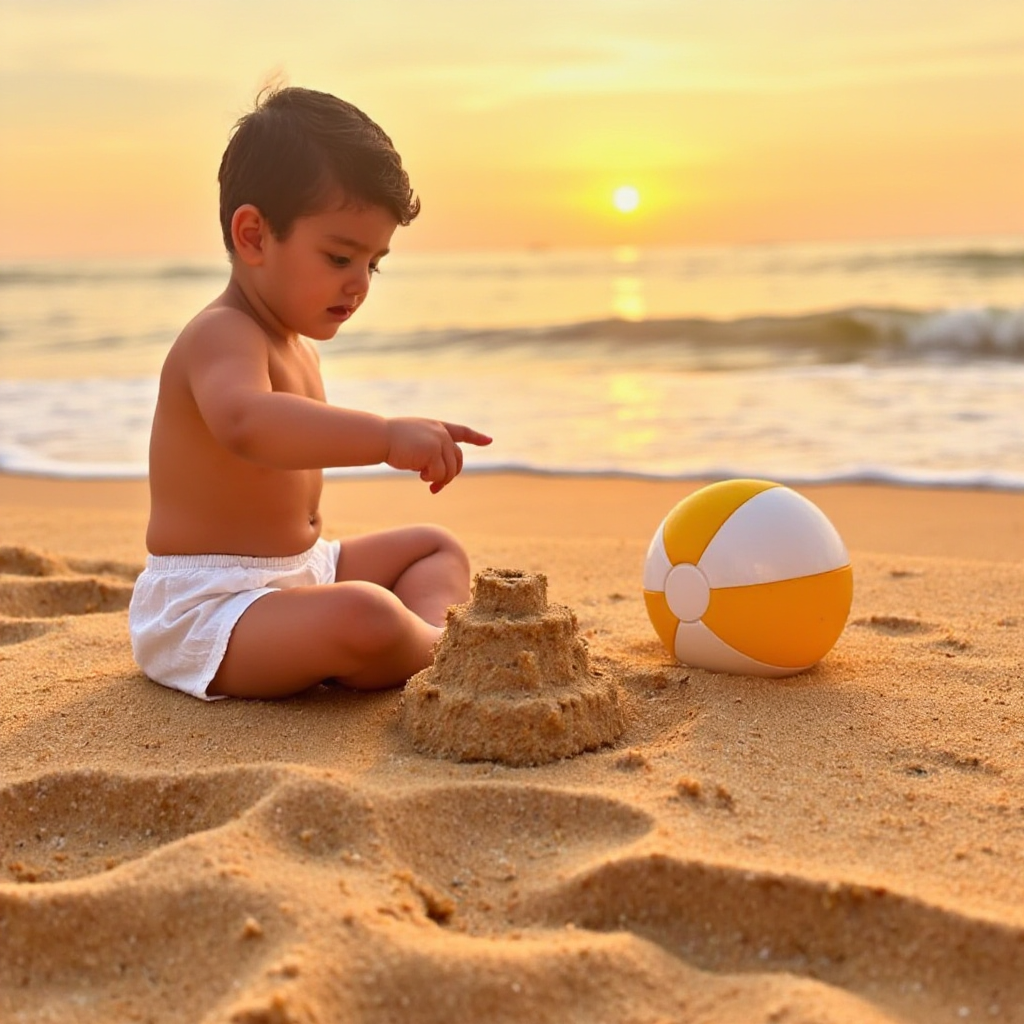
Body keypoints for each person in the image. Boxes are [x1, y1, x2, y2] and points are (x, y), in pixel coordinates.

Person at [128, 86, 492, 701]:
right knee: (365, 615)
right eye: (339, 256)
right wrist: (383, 437)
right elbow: (247, 422)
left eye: (372, 264)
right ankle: (442, 650)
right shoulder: (222, 334)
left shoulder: (299, 345)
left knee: (435, 547)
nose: (358, 284)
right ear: (254, 237)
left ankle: (429, 636)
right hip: (215, 605)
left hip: (303, 570)